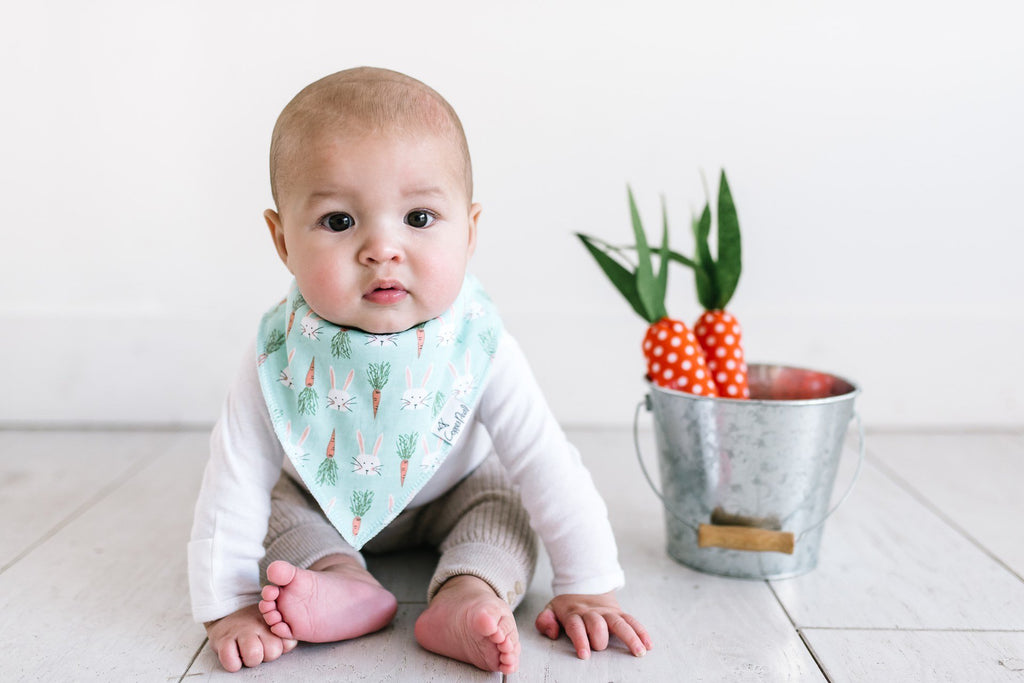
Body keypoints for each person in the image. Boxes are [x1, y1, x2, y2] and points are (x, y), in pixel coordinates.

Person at [188, 66, 652, 675]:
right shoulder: (278, 354)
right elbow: (234, 479)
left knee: (504, 507)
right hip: (319, 500)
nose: (383, 248)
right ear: (282, 240)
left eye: (420, 218)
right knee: (275, 510)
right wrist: (229, 604)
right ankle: (339, 581)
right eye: (338, 221)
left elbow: (544, 460)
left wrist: (589, 583)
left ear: (470, 230)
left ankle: (468, 593)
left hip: (454, 492)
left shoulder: (478, 344)